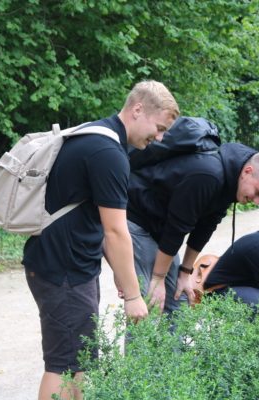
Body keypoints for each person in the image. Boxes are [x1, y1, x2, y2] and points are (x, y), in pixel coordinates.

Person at [22, 80, 179, 400]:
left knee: (80, 361)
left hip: (70, 266)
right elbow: (115, 230)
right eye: (160, 128)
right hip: (63, 270)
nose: (160, 138)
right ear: (138, 110)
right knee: (63, 365)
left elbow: (92, 218)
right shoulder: (108, 153)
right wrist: (133, 296)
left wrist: (123, 274)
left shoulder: (97, 136)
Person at [126, 126, 259, 314]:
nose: (257, 201)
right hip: (136, 216)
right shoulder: (209, 175)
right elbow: (176, 229)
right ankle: (140, 332)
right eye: (258, 192)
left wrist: (185, 272)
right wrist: (158, 278)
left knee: (179, 299)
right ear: (248, 171)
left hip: (160, 226)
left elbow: (205, 226)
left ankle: (174, 335)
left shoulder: (232, 181)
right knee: (151, 299)